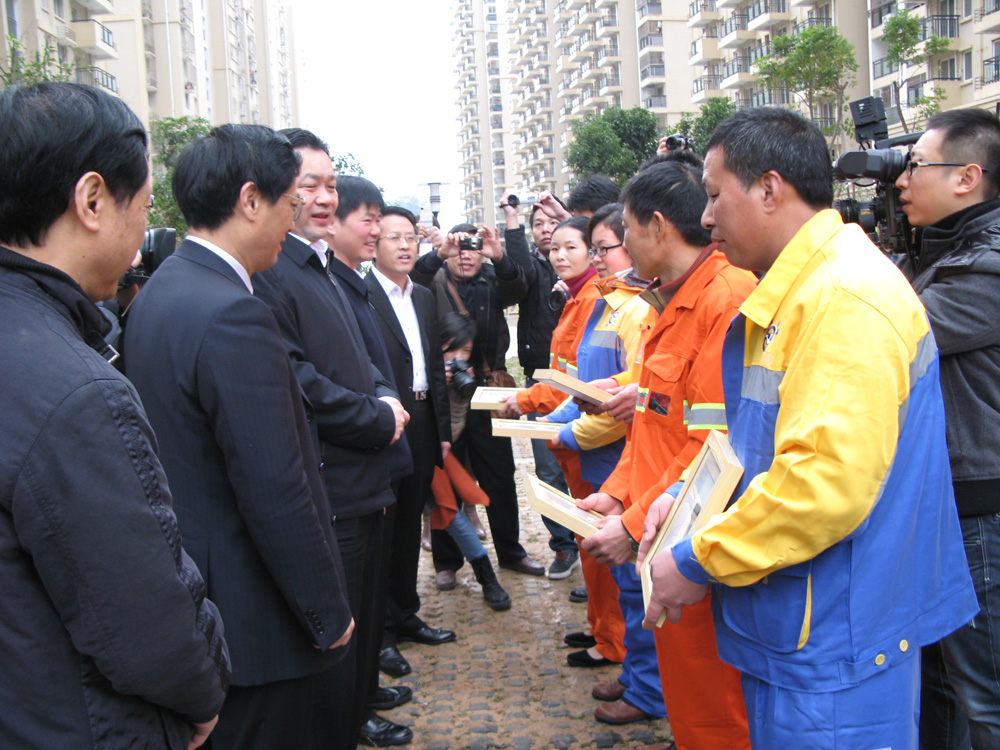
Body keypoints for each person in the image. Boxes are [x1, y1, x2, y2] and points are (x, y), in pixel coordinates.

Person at [641, 106, 978, 750]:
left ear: (769, 189)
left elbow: (822, 484)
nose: (705, 217)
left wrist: (698, 559)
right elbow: (755, 438)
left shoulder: (843, 298)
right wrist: (686, 499)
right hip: (799, 622)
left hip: (836, 638)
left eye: (715, 195)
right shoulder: (800, 291)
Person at [0, 81, 229, 750]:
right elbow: (147, 621)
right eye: (144, 202)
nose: (142, 234)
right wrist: (203, 694)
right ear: (92, 200)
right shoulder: (72, 388)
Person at [124, 124, 354, 750]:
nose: (294, 219)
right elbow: (274, 486)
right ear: (251, 200)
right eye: (289, 203)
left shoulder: (164, 289)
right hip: (253, 626)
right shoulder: (234, 313)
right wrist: (327, 612)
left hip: (200, 602)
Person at [575, 167, 755, 745]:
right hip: (662, 527)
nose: (622, 245)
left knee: (714, 704)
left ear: (657, 227)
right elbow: (652, 423)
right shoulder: (670, 300)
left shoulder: (725, 300)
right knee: (686, 694)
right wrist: (617, 494)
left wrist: (633, 523)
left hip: (692, 537)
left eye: (625, 230)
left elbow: (715, 443)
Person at [249, 130, 411, 750]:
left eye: (330, 185)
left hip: (367, 478)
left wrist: (384, 397)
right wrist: (375, 417)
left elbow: (361, 357)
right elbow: (298, 379)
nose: (322, 198)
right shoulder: (272, 271)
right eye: (308, 185)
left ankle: (358, 710)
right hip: (333, 483)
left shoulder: (321, 267)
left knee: (364, 621)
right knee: (335, 637)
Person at [894, 107, 1000, 750]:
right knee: (941, 683)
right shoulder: (952, 252)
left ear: (966, 177)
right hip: (950, 500)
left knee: (985, 693)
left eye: (915, 166)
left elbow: (892, 333)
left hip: (979, 508)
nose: (901, 181)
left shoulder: (985, 269)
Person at [412, 222, 544, 578]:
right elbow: (415, 279)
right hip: (445, 393)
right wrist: (438, 253)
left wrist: (499, 255)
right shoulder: (433, 281)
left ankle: (511, 552)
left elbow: (519, 288)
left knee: (499, 477)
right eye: (459, 248)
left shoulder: (492, 279)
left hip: (487, 391)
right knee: (446, 479)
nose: (466, 255)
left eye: (474, 247)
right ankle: (447, 562)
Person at [368, 205, 459, 676]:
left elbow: (436, 368)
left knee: (410, 524)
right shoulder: (360, 295)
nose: (405, 246)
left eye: (411, 237)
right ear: (373, 243)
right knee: (384, 529)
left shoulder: (423, 296)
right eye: (393, 237)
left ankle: (405, 614)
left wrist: (442, 433)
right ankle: (379, 632)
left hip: (424, 418)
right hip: (389, 421)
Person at [501, 190, 580, 579]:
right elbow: (516, 268)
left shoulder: (582, 272)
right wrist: (511, 219)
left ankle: (592, 544)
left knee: (584, 469)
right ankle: (564, 546)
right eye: (538, 225)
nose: (546, 230)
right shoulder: (532, 269)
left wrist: (567, 216)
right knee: (548, 470)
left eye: (553, 222)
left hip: (581, 384)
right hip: (540, 381)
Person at [428, 312, 513, 610]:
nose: (458, 358)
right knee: (445, 510)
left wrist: (459, 389)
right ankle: (472, 573)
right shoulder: (421, 374)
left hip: (441, 453)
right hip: (419, 451)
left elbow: (452, 429)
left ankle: (487, 576)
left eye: (465, 351)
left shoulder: (463, 380)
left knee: (451, 511)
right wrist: (435, 383)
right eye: (450, 349)